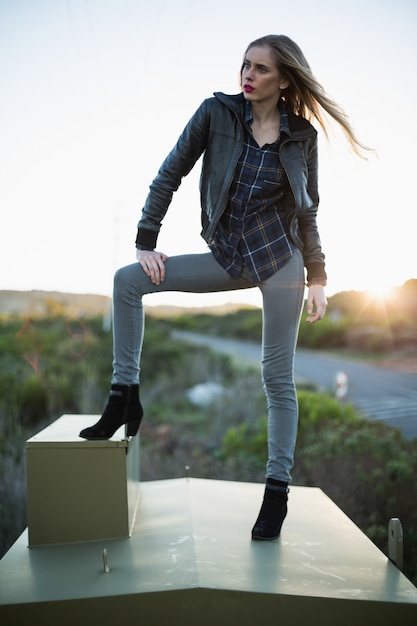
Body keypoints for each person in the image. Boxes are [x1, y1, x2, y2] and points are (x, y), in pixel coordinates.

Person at [80, 34, 370, 540]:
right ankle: (124, 395)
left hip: (280, 261)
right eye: (245, 65)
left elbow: (308, 212)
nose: (248, 75)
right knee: (128, 282)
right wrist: (146, 241)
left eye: (260, 69)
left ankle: (276, 492)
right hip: (228, 254)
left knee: (276, 378)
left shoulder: (301, 136)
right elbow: (169, 172)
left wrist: (318, 277)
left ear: (283, 80)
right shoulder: (216, 114)